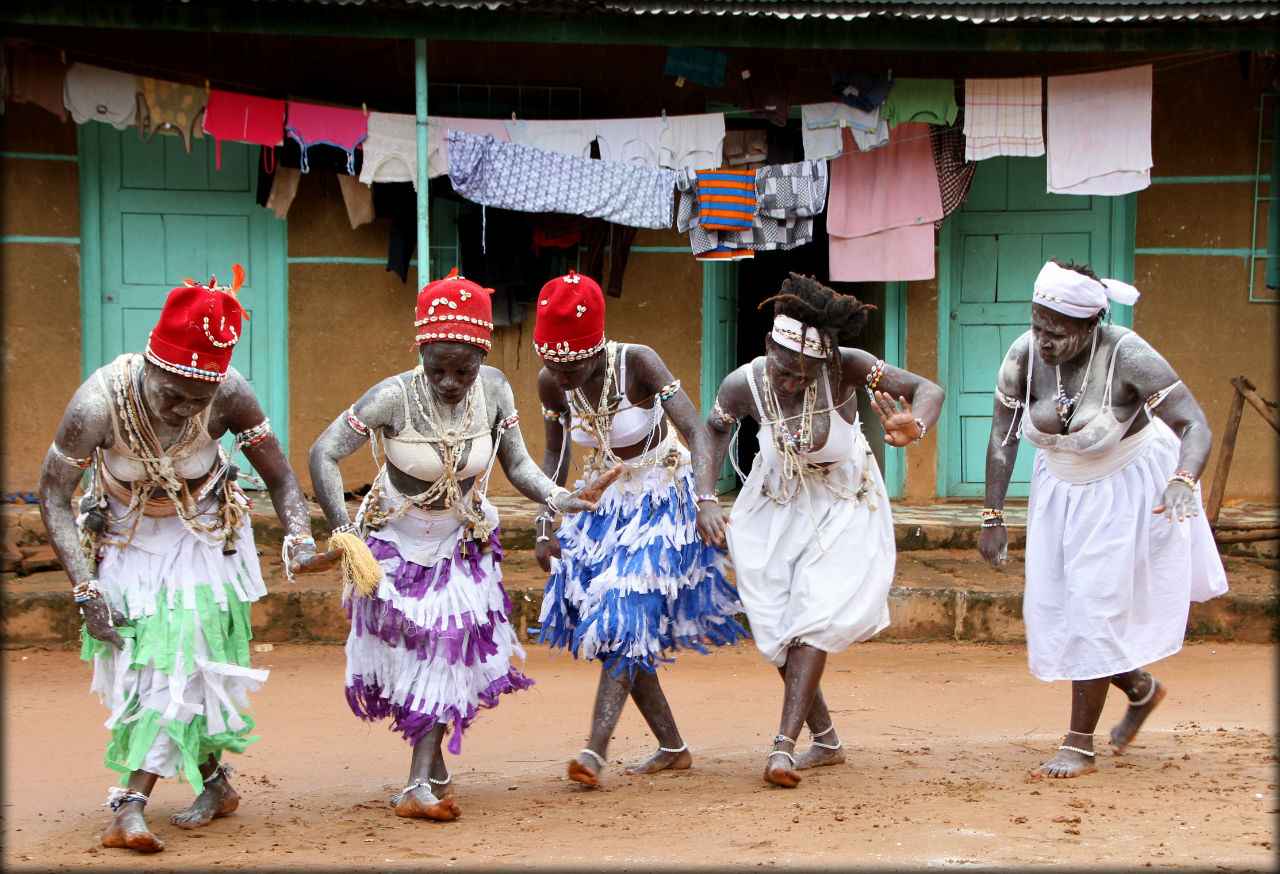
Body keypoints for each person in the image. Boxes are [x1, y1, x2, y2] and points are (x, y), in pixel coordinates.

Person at [38, 269, 343, 854]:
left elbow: (280, 480)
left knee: (181, 652)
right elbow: (52, 494)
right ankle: (215, 781)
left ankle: (130, 805)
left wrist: (299, 538)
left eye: (194, 400)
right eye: (169, 393)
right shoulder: (98, 403)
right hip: (125, 541)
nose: (181, 409)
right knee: (160, 667)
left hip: (205, 538)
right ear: (148, 366)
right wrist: (84, 590)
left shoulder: (230, 394)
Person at [308, 268, 616, 821]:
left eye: (463, 370)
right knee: (414, 661)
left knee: (445, 655)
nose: (451, 382)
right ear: (420, 351)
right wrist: (343, 531)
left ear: (483, 356)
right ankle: (431, 771)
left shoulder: (495, 388)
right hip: (396, 546)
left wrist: (561, 499)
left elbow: (518, 463)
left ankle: (415, 788)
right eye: (438, 369)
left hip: (463, 542)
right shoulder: (392, 397)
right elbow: (324, 453)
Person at [977, 259, 1228, 778]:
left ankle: (1079, 743)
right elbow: (1002, 434)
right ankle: (1139, 687)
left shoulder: (1129, 355)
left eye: (1058, 332)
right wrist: (992, 514)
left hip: (1128, 489)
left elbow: (1194, 423)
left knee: (1093, 607)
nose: (1043, 340)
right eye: (1037, 323)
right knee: (1059, 611)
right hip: (1059, 493)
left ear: (1091, 326)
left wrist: (1183, 479)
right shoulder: (1023, 355)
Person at [702, 273, 944, 788]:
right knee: (773, 625)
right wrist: (705, 498)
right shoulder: (742, 384)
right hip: (776, 499)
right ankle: (826, 739)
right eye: (786, 371)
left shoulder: (848, 365)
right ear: (769, 346)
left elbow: (928, 390)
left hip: (844, 500)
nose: (793, 382)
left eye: (806, 375)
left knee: (812, 611)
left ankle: (783, 748)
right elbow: (715, 429)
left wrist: (915, 425)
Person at [531, 270, 747, 787]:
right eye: (554, 364)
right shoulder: (551, 382)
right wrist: (545, 521)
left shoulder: (638, 362)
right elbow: (555, 457)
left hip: (663, 495)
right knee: (613, 629)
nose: (563, 376)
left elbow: (696, 429)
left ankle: (593, 752)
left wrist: (706, 499)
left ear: (598, 345)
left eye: (574, 364)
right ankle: (672, 746)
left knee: (625, 612)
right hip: (601, 504)